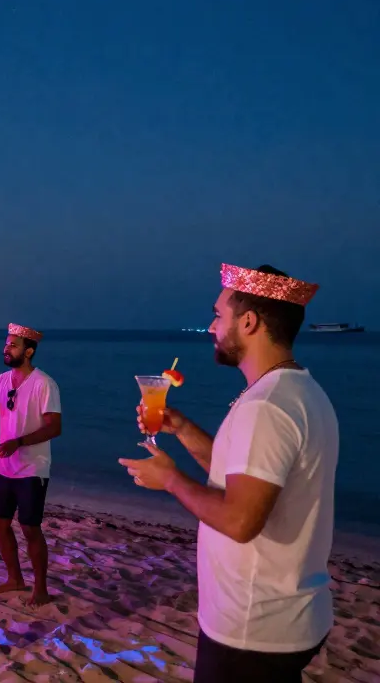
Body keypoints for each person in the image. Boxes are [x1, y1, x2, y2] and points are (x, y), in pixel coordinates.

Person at [119, 264, 336, 683]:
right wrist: (180, 428)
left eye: (218, 315)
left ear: (249, 322)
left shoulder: (267, 407)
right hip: (291, 613)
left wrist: (170, 480)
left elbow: (240, 521)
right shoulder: (298, 390)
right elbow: (242, 474)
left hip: (254, 627)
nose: (211, 326)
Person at [0, 323, 62, 607]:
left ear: (28, 351)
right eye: (6, 344)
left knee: (30, 528)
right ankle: (15, 578)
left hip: (33, 468)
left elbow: (54, 427)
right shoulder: (1, 380)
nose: (6, 349)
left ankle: (40, 588)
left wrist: (18, 442)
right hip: (3, 466)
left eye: (13, 345)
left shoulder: (45, 383)